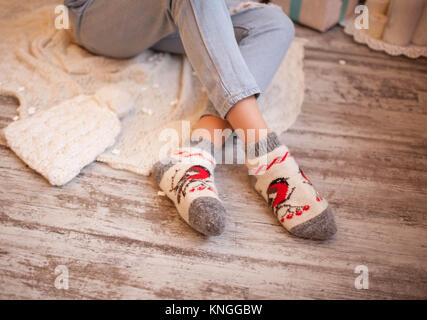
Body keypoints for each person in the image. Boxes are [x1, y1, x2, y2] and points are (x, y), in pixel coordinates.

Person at [65, 0, 337, 240]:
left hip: (163, 14)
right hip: (100, 17)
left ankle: (197, 150)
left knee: (274, 24)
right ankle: (267, 155)